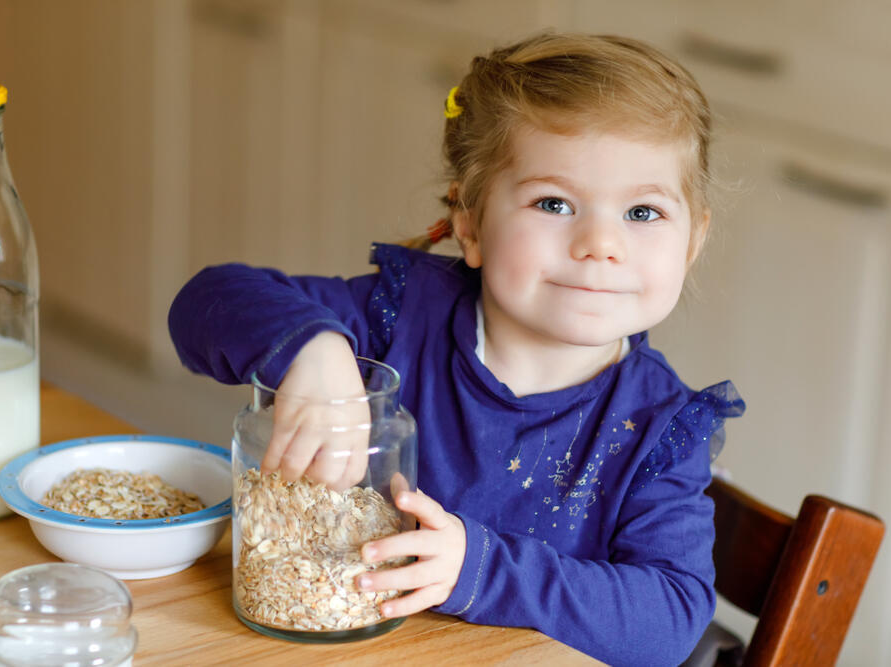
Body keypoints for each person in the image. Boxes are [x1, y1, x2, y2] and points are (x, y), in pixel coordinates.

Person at [168, 32, 745, 666]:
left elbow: (668, 622)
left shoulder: (659, 427)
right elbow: (206, 301)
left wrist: (480, 569)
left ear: (692, 240)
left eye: (643, 213)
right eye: (555, 203)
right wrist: (314, 350)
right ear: (469, 223)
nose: (600, 243)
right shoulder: (400, 319)